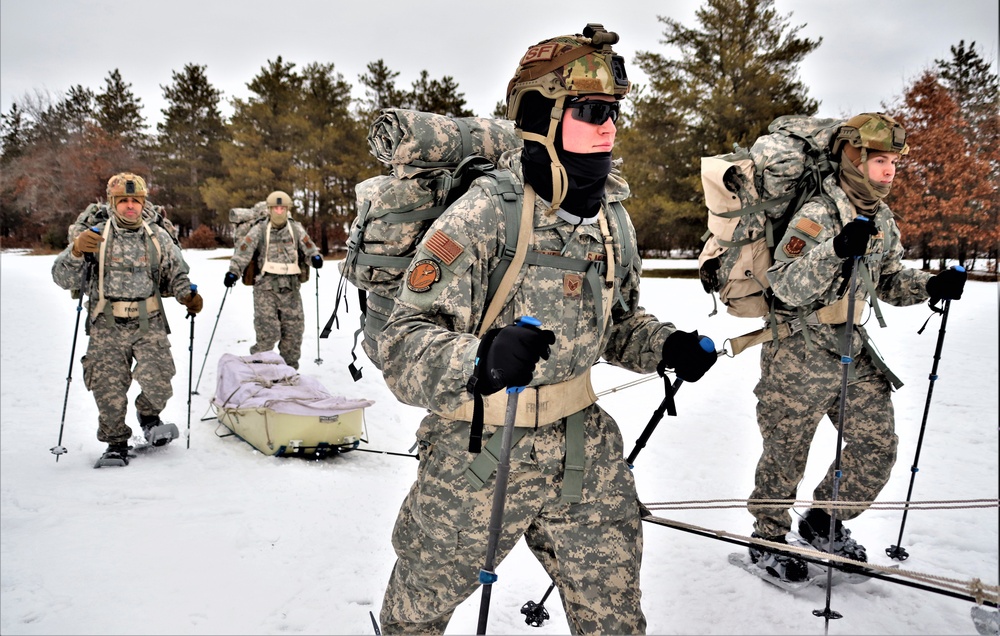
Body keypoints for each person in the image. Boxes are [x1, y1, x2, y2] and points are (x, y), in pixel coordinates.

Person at [376, 24, 718, 634]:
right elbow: (403, 342)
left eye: (613, 111)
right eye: (590, 111)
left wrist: (664, 345)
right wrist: (482, 360)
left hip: (584, 447)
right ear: (543, 116)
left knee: (614, 615)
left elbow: (616, 323)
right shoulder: (486, 213)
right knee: (417, 614)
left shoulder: (611, 215)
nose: (609, 126)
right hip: (478, 457)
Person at [746, 113, 968, 582]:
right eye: (880, 160)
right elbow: (783, 286)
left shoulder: (881, 217)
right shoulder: (818, 213)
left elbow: (887, 280)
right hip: (798, 353)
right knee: (786, 453)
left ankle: (824, 519)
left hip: (852, 350)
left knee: (876, 446)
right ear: (853, 157)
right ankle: (767, 537)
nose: (889, 171)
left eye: (894, 162)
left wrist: (932, 284)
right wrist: (835, 249)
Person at [52, 172, 203, 465]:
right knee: (108, 390)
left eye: (136, 200)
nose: (130, 206)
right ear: (112, 203)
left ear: (143, 203)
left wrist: (187, 295)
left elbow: (176, 274)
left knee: (160, 382)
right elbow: (61, 277)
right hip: (106, 324)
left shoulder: (157, 236)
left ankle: (148, 415)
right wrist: (75, 251)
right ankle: (116, 442)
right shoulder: (94, 237)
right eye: (123, 200)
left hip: (149, 322)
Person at [223, 190, 322, 370]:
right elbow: (243, 253)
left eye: (282, 208)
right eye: (275, 208)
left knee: (293, 333)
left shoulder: (296, 229)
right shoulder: (259, 230)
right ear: (269, 209)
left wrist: (314, 257)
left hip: (291, 289)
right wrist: (233, 272)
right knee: (267, 333)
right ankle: (259, 368)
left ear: (287, 209)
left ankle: (290, 370)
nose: (278, 211)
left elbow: (309, 247)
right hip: (265, 290)